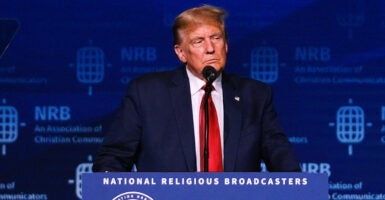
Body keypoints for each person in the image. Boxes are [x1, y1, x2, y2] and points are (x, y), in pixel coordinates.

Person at [92, 5, 301, 172]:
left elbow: (281, 158)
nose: (210, 48)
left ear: (226, 45)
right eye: (198, 41)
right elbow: (112, 158)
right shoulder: (146, 93)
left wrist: (299, 189)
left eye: (216, 38)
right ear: (181, 52)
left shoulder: (255, 95)